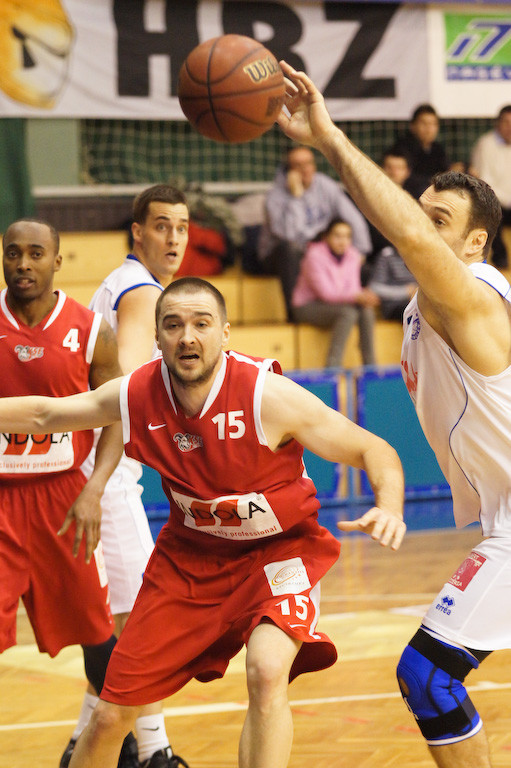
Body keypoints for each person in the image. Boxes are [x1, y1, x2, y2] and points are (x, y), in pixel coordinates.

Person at [0, 277, 407, 768]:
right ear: (157, 337)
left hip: (278, 553)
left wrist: (389, 505)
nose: (187, 336)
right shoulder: (138, 393)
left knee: (266, 668)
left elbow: (372, 448)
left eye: (201, 324)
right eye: (172, 325)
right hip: (188, 561)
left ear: (225, 333)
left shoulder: (266, 395)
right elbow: (46, 415)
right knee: (110, 716)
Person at [275, 60, 510, 768]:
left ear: (474, 243)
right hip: (500, 512)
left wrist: (325, 138)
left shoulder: (466, 292)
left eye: (438, 220)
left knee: (426, 674)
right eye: (420, 212)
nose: (417, 227)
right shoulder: (421, 305)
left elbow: (406, 233)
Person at [62, 184, 190, 768]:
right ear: (137, 231)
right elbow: (134, 387)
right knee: (143, 618)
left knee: (123, 617)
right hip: (104, 472)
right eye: (162, 225)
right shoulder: (140, 290)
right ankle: (154, 749)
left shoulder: (122, 282)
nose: (174, 238)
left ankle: (85, 745)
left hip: (99, 466)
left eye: (182, 228)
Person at [0, 218, 123, 757]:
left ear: (57, 261)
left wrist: (95, 488)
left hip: (64, 499)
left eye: (35, 254)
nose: (23, 264)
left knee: (98, 634)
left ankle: (112, 745)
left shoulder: (91, 329)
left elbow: (118, 415)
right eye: (12, 253)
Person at [257, 144, 372, 318]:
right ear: (288, 170)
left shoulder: (326, 186)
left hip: (317, 254)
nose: (305, 169)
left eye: (309, 163)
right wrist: (296, 197)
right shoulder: (275, 196)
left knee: (363, 266)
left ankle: (337, 310)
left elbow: (353, 219)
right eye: (298, 165)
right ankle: (294, 313)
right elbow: (291, 236)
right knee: (289, 250)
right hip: (279, 256)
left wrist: (360, 251)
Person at [291, 218, 379, 367]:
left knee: (366, 311)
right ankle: (333, 368)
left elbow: (353, 287)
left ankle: (370, 368)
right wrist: (357, 296)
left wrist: (364, 296)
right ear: (326, 237)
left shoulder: (353, 255)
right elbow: (326, 293)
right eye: (338, 236)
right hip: (306, 306)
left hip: (338, 305)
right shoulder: (314, 255)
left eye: (347, 236)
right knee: (348, 313)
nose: (343, 241)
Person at [367, 151, 417, 320]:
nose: (394, 172)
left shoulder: (414, 201)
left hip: (406, 256)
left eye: (399, 167)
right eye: (389, 167)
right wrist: (406, 292)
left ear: (407, 171)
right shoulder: (368, 198)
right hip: (376, 258)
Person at [469, 105, 511, 268]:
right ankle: (501, 262)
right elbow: (484, 182)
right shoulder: (485, 144)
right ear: (497, 124)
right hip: (495, 201)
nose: (510, 127)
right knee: (493, 213)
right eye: (506, 122)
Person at [389, 104, 450, 198]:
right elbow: (408, 178)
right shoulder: (402, 148)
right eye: (424, 123)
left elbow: (445, 170)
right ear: (412, 126)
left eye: (433, 124)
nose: (429, 129)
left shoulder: (438, 149)